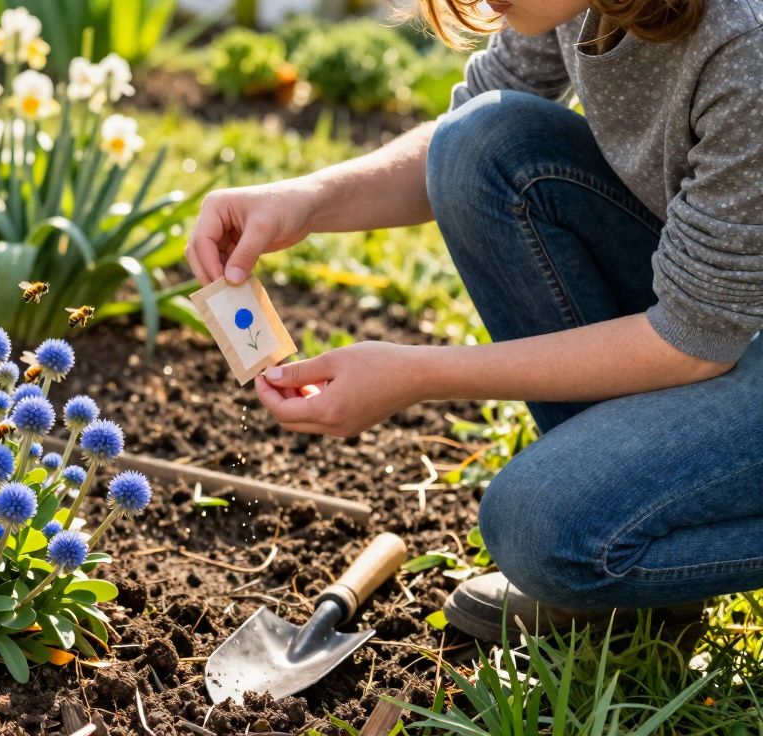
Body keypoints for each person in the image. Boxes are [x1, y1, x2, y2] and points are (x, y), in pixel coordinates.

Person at [185, 0, 763, 640]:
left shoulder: (744, 47)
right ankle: (635, 534)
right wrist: (306, 199)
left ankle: (609, 534)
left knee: (540, 526)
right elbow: (457, 135)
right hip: (734, 312)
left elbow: (691, 344)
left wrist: (417, 373)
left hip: (721, 332)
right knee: (481, 143)